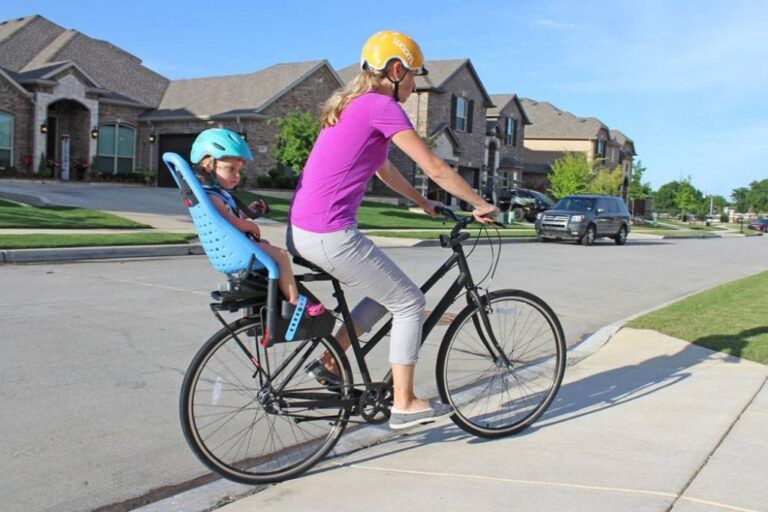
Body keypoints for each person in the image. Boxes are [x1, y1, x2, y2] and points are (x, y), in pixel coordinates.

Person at [287, 31, 498, 429]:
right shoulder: (382, 106)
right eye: (414, 76)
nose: (415, 85)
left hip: (306, 229)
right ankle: (404, 402)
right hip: (330, 232)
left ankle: (331, 362)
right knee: (410, 303)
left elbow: (383, 168)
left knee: (384, 293)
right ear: (396, 71)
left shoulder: (354, 106)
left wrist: (422, 202)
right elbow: (435, 167)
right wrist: (480, 204)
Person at [190, 128, 325, 317]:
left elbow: (230, 218)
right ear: (208, 165)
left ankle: (269, 301)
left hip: (235, 246)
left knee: (268, 251)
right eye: (231, 169)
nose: (237, 175)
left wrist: (250, 214)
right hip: (235, 249)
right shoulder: (212, 197)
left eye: (239, 170)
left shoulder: (214, 194)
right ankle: (295, 301)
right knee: (280, 255)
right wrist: (250, 226)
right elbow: (228, 223)